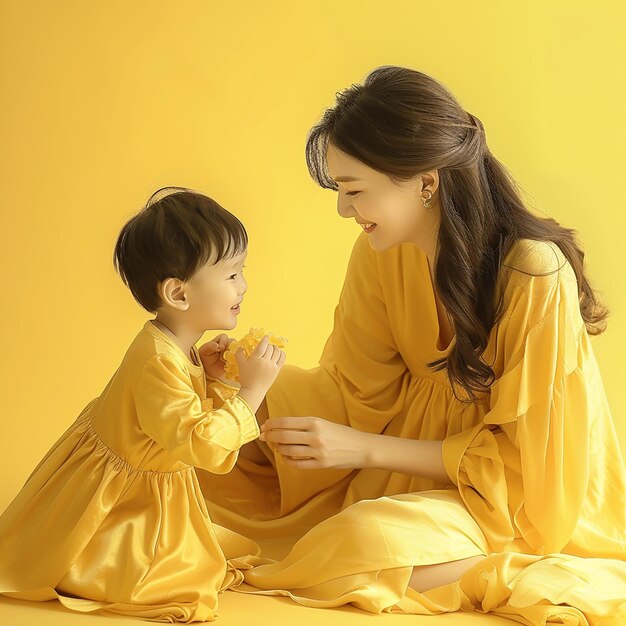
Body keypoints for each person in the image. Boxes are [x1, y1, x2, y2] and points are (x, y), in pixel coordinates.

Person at [196, 67, 626, 625]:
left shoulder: (533, 276)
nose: (343, 211)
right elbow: (353, 391)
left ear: (425, 181)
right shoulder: (379, 255)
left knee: (360, 538)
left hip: (516, 502)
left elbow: (525, 467)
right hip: (402, 464)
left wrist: (362, 450)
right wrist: (242, 380)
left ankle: (507, 567)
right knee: (200, 449)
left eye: (353, 191)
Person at [0, 187, 286, 622]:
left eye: (242, 271)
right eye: (231, 275)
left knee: (205, 562)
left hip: (153, 489)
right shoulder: (156, 360)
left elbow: (170, 417)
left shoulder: (173, 346)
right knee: (172, 584)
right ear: (179, 294)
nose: (242, 285)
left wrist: (210, 377)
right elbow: (197, 444)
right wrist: (252, 393)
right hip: (122, 504)